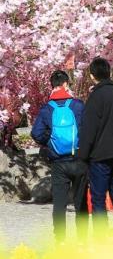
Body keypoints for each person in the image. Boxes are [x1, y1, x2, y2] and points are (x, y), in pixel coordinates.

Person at [78, 57, 113, 230]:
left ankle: (101, 238)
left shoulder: (96, 97)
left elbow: (89, 129)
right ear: (109, 73)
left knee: (98, 198)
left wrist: (83, 155)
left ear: (92, 76)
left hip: (100, 155)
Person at [31, 70, 88, 242]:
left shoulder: (47, 108)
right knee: (81, 202)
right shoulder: (78, 105)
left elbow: (36, 133)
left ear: (52, 86)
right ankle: (83, 240)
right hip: (78, 160)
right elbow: (87, 129)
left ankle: (60, 240)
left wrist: (49, 141)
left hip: (58, 162)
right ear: (65, 84)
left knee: (60, 203)